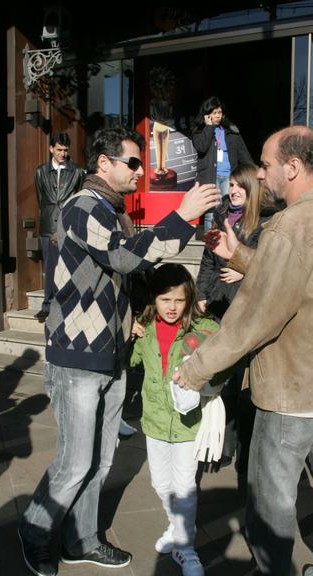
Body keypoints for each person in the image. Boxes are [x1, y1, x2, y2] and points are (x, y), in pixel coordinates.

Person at [18, 126, 221, 576]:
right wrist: (183, 216)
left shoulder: (113, 213)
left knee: (103, 457)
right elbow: (124, 257)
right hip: (76, 355)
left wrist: (181, 295)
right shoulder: (82, 207)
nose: (140, 170)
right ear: (103, 163)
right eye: (132, 162)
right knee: (74, 461)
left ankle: (82, 538)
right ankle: (35, 529)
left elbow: (129, 274)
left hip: (110, 353)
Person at [173, 125, 313, 576]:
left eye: (268, 165)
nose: (263, 174)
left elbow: (255, 318)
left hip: (290, 394)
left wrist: (194, 370)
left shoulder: (289, 225)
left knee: (271, 507)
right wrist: (239, 255)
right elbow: (295, 284)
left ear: (292, 167)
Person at [129, 263, 222, 576]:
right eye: (165, 299)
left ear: (189, 299)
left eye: (179, 300)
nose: (171, 307)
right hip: (154, 420)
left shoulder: (201, 328)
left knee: (184, 486)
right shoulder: (146, 328)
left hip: (187, 424)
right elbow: (130, 360)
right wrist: (129, 335)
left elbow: (223, 354)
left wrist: (207, 344)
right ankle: (175, 527)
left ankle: (185, 548)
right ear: (154, 299)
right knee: (160, 483)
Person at [196, 163, 285, 474]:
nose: (232, 191)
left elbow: (272, 271)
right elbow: (208, 261)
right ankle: (218, 447)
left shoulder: (267, 222)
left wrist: (243, 266)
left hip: (246, 313)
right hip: (219, 308)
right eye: (230, 185)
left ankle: (239, 450)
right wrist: (201, 294)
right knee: (219, 383)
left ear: (253, 190)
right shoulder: (220, 216)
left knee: (241, 387)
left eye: (239, 186)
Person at [34, 131, 85, 322]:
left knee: (70, 265)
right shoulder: (40, 172)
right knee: (50, 267)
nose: (62, 154)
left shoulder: (78, 172)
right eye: (59, 150)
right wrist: (51, 218)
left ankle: (70, 304)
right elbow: (42, 200)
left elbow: (79, 198)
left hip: (68, 225)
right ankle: (47, 306)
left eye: (65, 150)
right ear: (51, 149)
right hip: (48, 225)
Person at [191, 96, 252, 231]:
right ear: (207, 115)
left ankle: (226, 240)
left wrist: (254, 171)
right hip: (210, 177)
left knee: (228, 210)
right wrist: (209, 127)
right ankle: (210, 247)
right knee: (210, 213)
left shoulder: (231, 131)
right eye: (214, 113)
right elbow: (201, 147)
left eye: (219, 112)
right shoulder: (199, 130)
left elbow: (244, 155)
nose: (218, 116)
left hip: (229, 177)